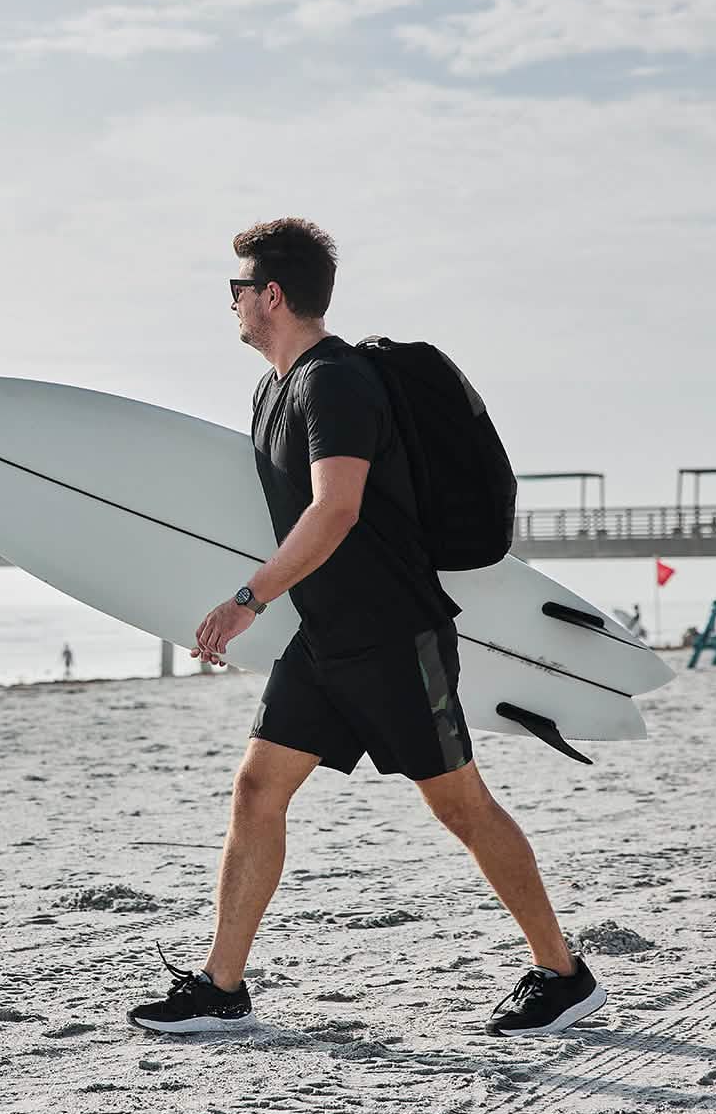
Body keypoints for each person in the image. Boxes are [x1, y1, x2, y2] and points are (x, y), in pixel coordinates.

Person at [129, 218, 605, 1038]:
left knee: (460, 805)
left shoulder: (335, 383)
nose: (233, 306)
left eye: (236, 291)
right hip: (326, 638)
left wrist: (247, 600)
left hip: (393, 638)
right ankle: (222, 985)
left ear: (271, 295)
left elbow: (337, 508)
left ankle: (562, 972)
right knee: (257, 787)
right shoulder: (272, 389)